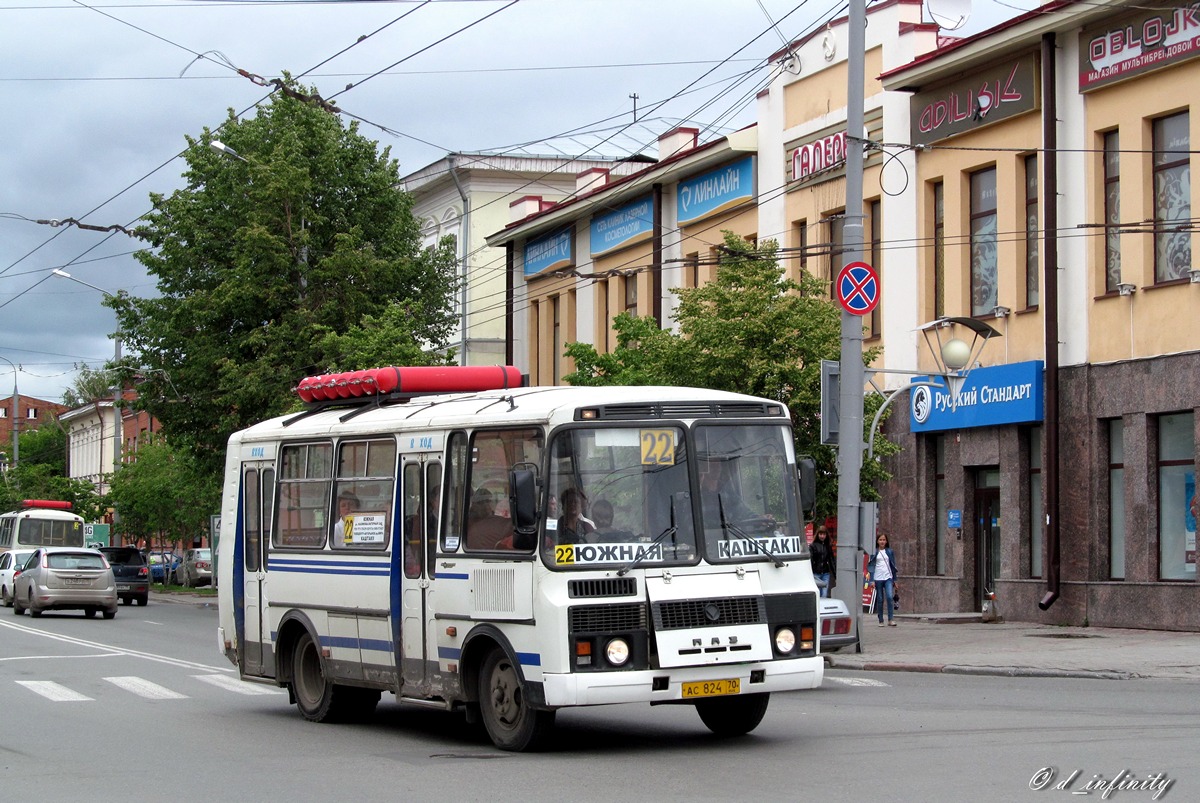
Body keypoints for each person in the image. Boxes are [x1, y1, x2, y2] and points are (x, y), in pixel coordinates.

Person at [868, 532, 899, 626]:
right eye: (880, 540)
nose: (882, 541)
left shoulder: (889, 551)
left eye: (884, 540)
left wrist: (895, 580)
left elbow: (893, 566)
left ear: (886, 541)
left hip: (888, 577)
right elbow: (871, 566)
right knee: (880, 599)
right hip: (878, 578)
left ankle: (890, 619)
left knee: (889, 597)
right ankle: (881, 620)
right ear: (877, 541)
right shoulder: (874, 552)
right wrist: (872, 580)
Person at [810, 525, 834, 597]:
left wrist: (835, 574)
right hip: (816, 573)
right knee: (818, 594)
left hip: (825, 573)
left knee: (824, 594)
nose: (822, 536)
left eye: (824, 534)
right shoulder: (813, 546)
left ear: (826, 535)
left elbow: (831, 560)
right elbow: (811, 559)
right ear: (818, 534)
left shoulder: (828, 546)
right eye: (821, 534)